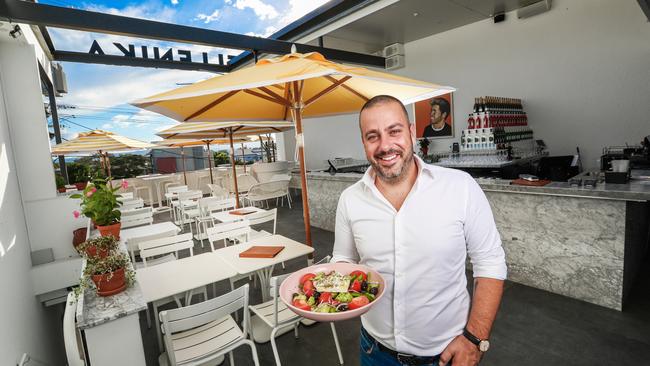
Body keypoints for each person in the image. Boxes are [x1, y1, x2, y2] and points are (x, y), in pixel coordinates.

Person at [332, 95, 506, 366]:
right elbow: (342, 259)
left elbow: (490, 263)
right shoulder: (350, 199)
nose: (385, 145)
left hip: (445, 355)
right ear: (364, 142)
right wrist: (323, 288)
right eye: (372, 136)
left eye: (394, 131)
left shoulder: (460, 187)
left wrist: (475, 339)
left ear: (412, 132)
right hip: (374, 352)